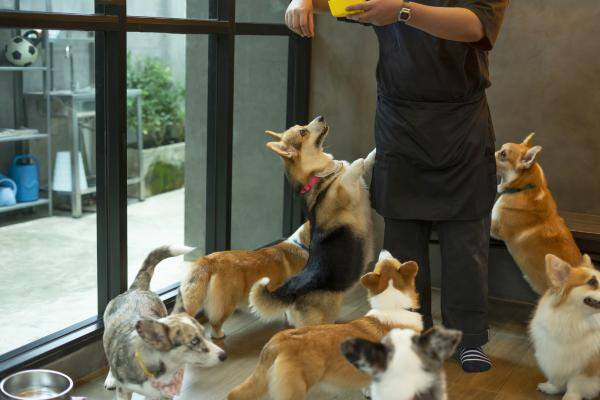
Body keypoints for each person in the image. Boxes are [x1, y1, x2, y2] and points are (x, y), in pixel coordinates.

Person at [285, 0, 509, 373]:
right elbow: (344, 2)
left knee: (466, 246)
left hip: (461, 123)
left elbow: (475, 25)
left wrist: (404, 11)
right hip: (400, 123)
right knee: (403, 246)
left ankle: (467, 338)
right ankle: (409, 335)